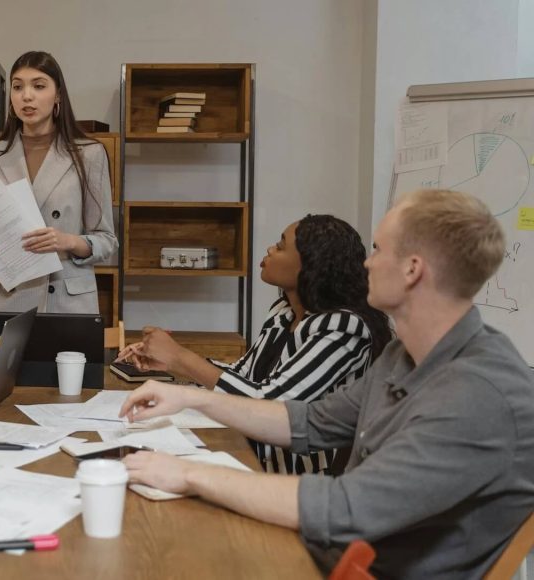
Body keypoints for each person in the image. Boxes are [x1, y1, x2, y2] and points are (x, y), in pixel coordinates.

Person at [118, 189, 534, 579]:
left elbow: (347, 508)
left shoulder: (478, 395)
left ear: (412, 270)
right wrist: (188, 395)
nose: (366, 263)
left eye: (377, 249)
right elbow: (308, 421)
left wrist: (190, 474)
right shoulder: (402, 356)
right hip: (334, 552)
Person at [117, 214, 392, 474]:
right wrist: (172, 366)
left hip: (300, 479)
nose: (270, 249)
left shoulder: (343, 327)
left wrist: (181, 357)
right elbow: (242, 376)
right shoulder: (284, 313)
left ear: (311, 265)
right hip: (252, 457)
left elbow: (272, 405)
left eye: (282, 246)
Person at [0, 51, 117, 358]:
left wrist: (67, 240)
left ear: (58, 94)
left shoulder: (89, 153)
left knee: (65, 401)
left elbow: (107, 241)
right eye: (18, 87)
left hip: (64, 300)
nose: (27, 96)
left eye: (39, 86)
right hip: (5, 300)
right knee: (1, 402)